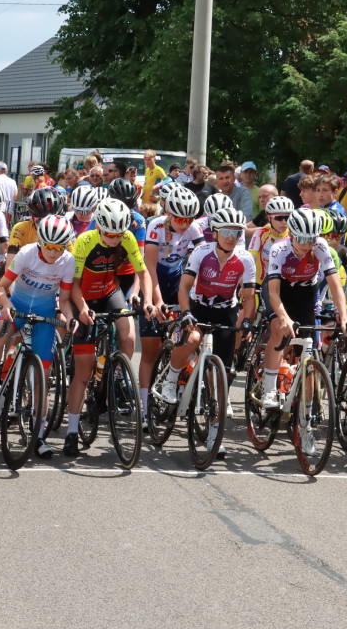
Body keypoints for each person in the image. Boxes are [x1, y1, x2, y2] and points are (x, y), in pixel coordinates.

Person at [153, 207, 256, 453]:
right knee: (193, 339)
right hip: (197, 306)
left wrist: (246, 321)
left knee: (218, 376)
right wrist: (186, 312)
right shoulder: (202, 252)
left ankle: (213, 434)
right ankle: (171, 378)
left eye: (238, 232)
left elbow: (249, 298)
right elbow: (184, 286)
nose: (232, 237)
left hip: (225, 311)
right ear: (216, 232)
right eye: (227, 231)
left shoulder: (245, 258)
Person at [63, 198, 158, 456]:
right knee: (83, 372)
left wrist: (147, 301)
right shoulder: (84, 241)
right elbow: (73, 284)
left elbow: (143, 273)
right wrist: (82, 309)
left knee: (128, 335)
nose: (115, 239)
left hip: (109, 291)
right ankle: (71, 431)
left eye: (119, 234)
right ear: (100, 227)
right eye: (109, 234)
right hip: (84, 295)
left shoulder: (127, 238)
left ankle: (117, 370)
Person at [0, 215, 76, 457]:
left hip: (43, 312)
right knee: (0, 331)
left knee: (43, 375)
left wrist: (70, 318)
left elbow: (63, 300)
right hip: (17, 305)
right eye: (49, 246)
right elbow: (0, 288)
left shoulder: (67, 262)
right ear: (41, 241)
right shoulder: (27, 254)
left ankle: (39, 435)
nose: (53, 253)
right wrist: (6, 305)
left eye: (59, 248)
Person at [260, 208, 347, 415]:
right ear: (291, 234)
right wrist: (283, 317)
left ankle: (306, 412)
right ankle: (268, 388)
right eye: (301, 238)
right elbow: (273, 293)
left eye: (311, 238)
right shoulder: (279, 248)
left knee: (308, 351)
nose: (306, 244)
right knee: (279, 329)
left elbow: (336, 286)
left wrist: (344, 317)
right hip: (279, 289)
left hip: (304, 292)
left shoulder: (320, 246)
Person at [138, 185, 204, 422]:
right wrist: (157, 302)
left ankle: (180, 384)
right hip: (155, 278)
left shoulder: (193, 228)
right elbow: (150, 268)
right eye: (179, 218)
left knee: (191, 332)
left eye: (189, 219)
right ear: (168, 212)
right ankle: (144, 409)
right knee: (149, 350)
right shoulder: (155, 225)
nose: (184, 224)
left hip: (178, 278)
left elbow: (202, 261)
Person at [248, 195, 293, 288]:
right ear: (269, 218)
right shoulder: (260, 234)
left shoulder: (293, 236)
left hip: (284, 283)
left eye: (288, 217)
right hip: (259, 282)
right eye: (279, 218)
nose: (284, 222)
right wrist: (247, 285)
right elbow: (251, 260)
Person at [8, 187, 64, 257]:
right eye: (40, 221)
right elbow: (10, 263)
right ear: (32, 217)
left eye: (50, 221)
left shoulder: (63, 232)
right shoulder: (21, 229)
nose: (45, 226)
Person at [214, 162, 255, 226]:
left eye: (227, 177)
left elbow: (246, 217)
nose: (225, 181)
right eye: (221, 178)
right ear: (217, 181)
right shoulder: (215, 198)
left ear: (234, 179)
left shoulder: (243, 192)